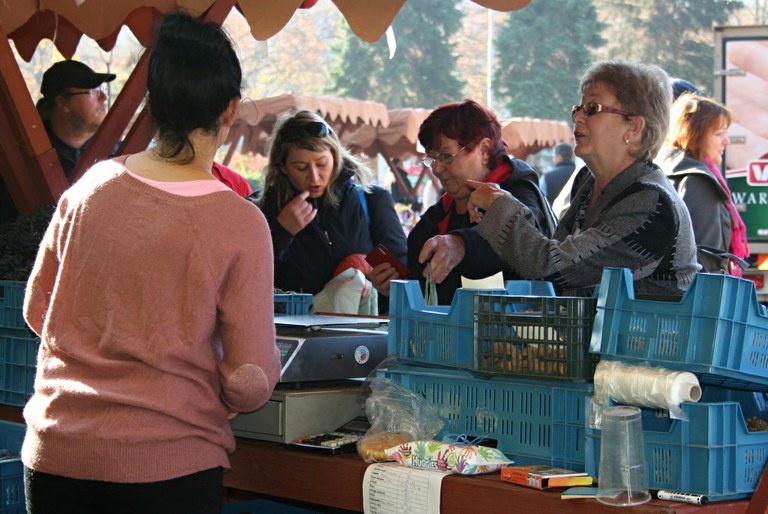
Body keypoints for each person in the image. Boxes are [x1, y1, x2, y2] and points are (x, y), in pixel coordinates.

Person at [21, 12, 281, 514]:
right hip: (167, 466)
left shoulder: (90, 188)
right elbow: (249, 381)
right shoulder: (238, 222)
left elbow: (37, 310)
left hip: (55, 456)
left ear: (153, 105)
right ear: (230, 109)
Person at [467, 60, 700, 297]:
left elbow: (552, 269)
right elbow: (559, 259)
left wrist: (501, 207)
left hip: (652, 334)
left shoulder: (652, 204)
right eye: (578, 108)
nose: (577, 117)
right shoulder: (589, 181)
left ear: (634, 128)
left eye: (592, 108)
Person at [409, 99, 556, 305]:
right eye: (432, 159)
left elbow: (526, 240)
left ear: (484, 150)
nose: (437, 169)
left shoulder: (520, 191)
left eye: (446, 156)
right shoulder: (442, 211)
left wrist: (462, 244)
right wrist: (396, 282)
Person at [259, 110, 407, 314]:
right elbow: (250, 277)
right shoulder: (265, 208)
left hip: (363, 334)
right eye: (301, 167)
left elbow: (404, 279)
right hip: (295, 333)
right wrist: (282, 232)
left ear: (335, 157)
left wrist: (388, 284)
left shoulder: (372, 199)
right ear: (282, 167)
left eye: (321, 164)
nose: (314, 177)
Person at [657, 93, 749, 276]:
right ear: (695, 135)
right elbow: (703, 256)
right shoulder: (699, 180)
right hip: (694, 297)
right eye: (719, 133)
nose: (726, 141)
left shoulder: (658, 169)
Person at [35, 59, 116, 177]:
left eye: (103, 89)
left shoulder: (118, 150)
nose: (104, 97)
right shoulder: (31, 157)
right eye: (94, 91)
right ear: (62, 103)